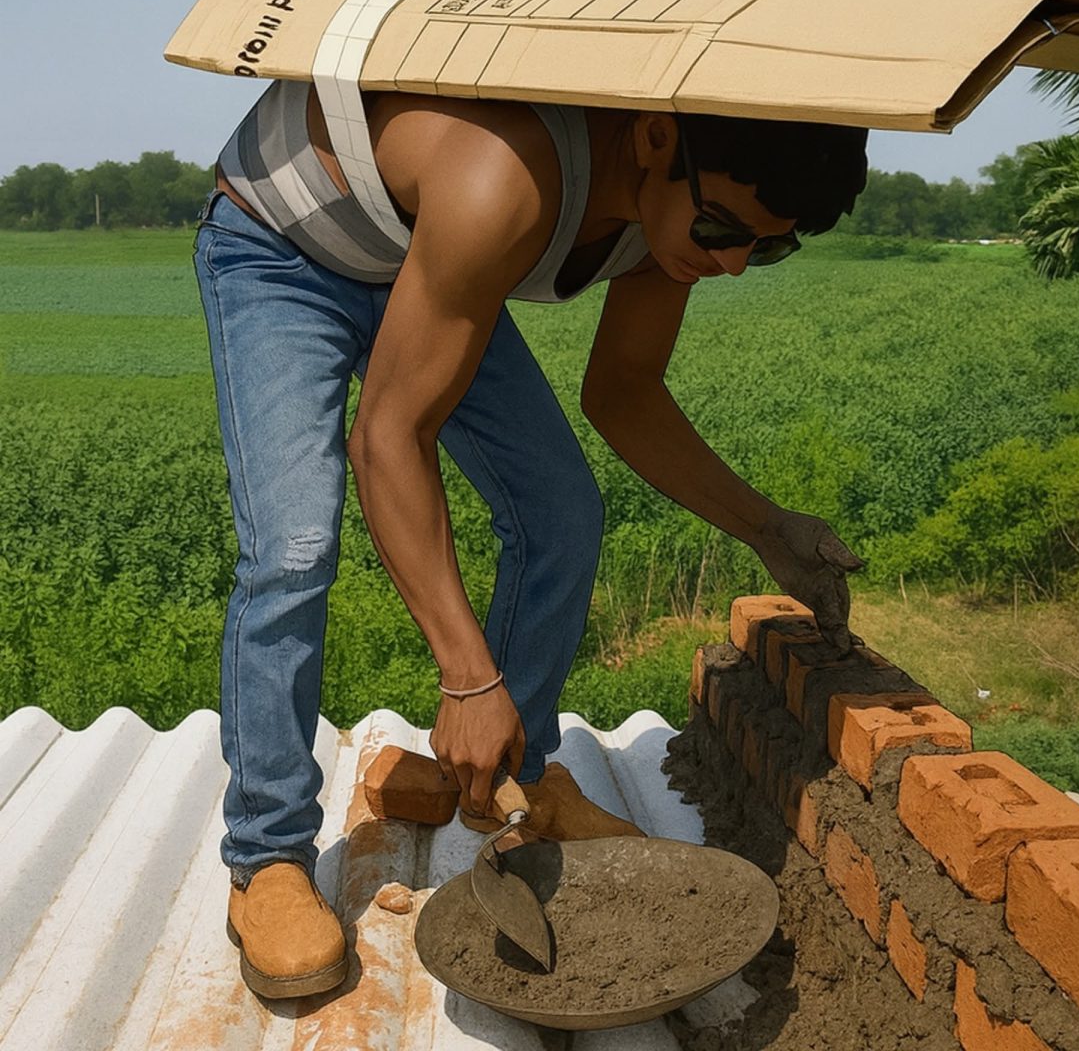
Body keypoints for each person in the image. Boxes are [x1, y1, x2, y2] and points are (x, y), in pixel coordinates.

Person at [195, 78, 869, 999]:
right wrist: (468, 679)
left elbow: (624, 392)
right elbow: (388, 439)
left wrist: (769, 531)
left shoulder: (669, 220)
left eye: (771, 245)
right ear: (659, 138)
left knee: (561, 513)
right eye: (721, 231)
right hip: (282, 251)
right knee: (295, 549)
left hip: (424, 263)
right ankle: (265, 857)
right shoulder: (503, 180)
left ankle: (521, 779)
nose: (735, 265)